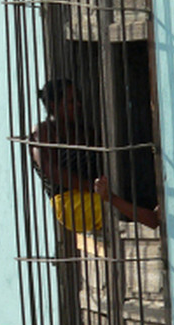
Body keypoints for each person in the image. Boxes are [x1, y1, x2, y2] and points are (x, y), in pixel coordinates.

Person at [30, 78, 159, 230]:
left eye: (78, 99)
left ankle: (154, 217)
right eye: (72, 101)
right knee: (117, 206)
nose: (78, 104)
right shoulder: (42, 133)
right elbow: (51, 171)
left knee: (132, 194)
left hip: (100, 192)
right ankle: (153, 220)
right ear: (54, 105)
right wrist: (93, 187)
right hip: (69, 202)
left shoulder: (83, 131)